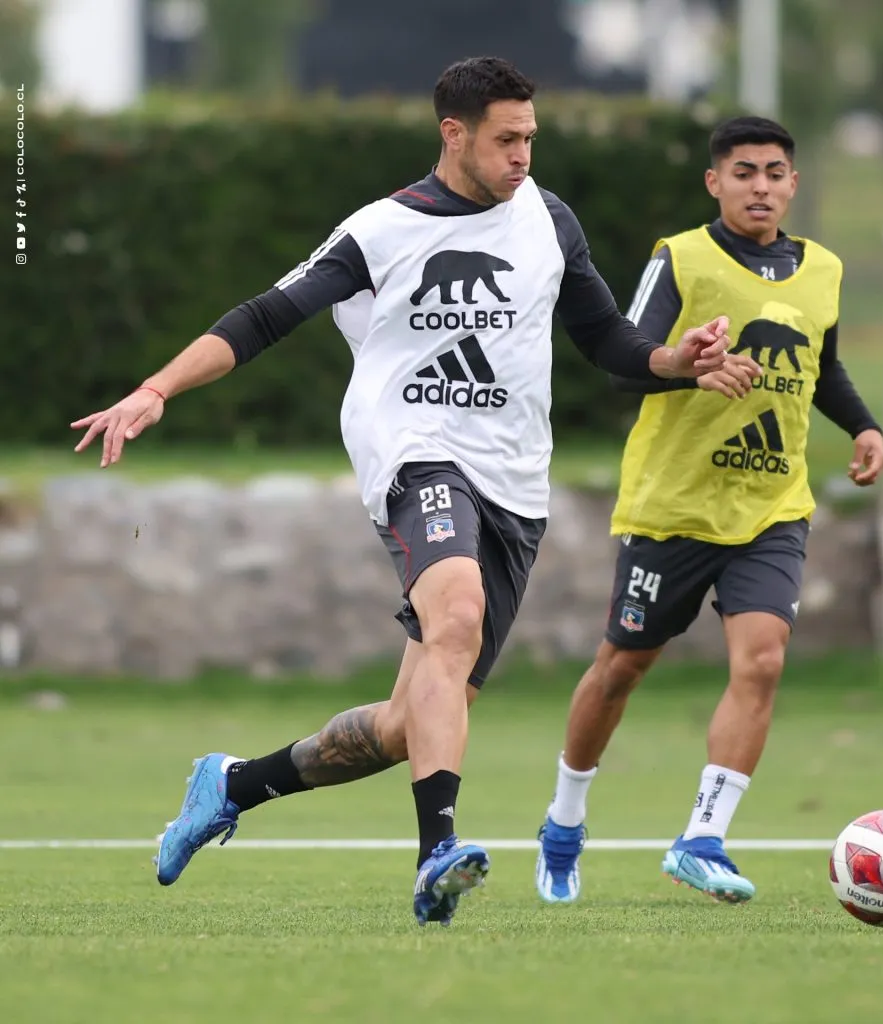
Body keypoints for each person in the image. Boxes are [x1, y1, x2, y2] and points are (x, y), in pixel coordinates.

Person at [70, 57, 754, 927]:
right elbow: (264, 315)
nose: (522, 158)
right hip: (415, 454)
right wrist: (156, 389)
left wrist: (675, 363)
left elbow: (611, 345)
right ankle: (439, 855)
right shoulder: (383, 230)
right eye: (506, 140)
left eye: (531, 140)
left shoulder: (549, 220)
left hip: (515, 484)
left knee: (408, 724)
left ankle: (232, 783)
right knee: (455, 616)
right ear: (454, 134)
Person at [535, 115, 883, 906]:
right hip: (675, 508)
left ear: (793, 184)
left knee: (762, 660)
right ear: (714, 183)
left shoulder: (822, 269)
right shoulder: (681, 257)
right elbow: (629, 364)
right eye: (743, 172)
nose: (759, 186)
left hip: (771, 508)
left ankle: (702, 837)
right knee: (621, 669)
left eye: (773, 173)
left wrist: (863, 425)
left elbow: (822, 367)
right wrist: (690, 370)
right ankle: (563, 822)